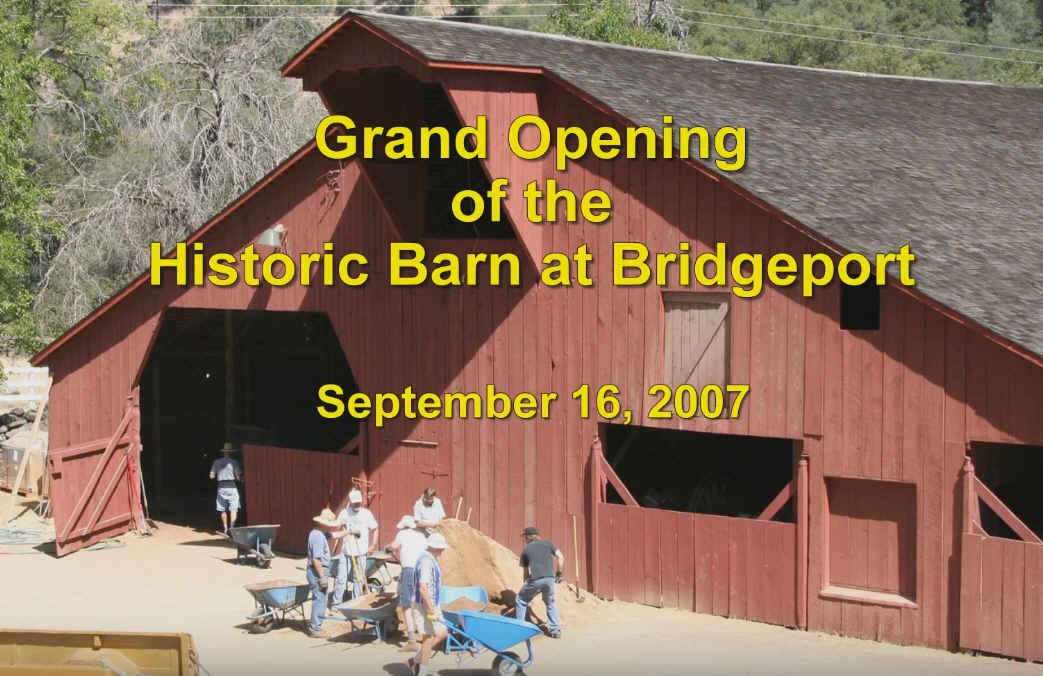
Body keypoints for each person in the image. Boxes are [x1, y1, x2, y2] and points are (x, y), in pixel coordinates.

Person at [408, 533, 450, 676]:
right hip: (424, 604)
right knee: (429, 637)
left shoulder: (429, 558)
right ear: (434, 547)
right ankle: (422, 672)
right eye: (440, 548)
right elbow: (423, 587)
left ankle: (415, 660)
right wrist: (430, 609)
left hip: (430, 602)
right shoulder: (426, 561)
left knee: (442, 632)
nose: (443, 550)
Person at [514, 526, 565, 638]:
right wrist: (559, 573)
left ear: (528, 537)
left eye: (524, 537)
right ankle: (555, 631)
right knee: (550, 603)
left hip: (536, 579)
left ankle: (519, 630)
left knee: (520, 600)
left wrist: (526, 589)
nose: (524, 539)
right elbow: (561, 557)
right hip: (549, 579)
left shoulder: (526, 550)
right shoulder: (548, 544)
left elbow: (526, 573)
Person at [332, 488, 379, 605]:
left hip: (361, 551)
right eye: (355, 503)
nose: (357, 504)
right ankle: (336, 602)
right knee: (341, 578)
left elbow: (375, 528)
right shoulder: (344, 513)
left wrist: (373, 545)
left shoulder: (366, 513)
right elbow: (337, 527)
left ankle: (355, 602)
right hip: (346, 551)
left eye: (359, 502)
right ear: (351, 502)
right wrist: (342, 527)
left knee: (359, 579)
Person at [306, 507, 345, 638]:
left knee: (321, 597)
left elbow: (333, 535)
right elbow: (316, 559)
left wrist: (348, 532)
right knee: (320, 599)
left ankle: (316, 625)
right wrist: (322, 577)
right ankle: (315, 628)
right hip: (318, 571)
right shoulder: (317, 537)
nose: (330, 528)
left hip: (319, 570)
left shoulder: (320, 533)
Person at [390, 515, 427, 646]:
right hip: (422, 570)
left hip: (409, 570)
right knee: (420, 603)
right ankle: (424, 635)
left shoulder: (402, 534)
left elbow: (392, 546)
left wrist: (392, 551)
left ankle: (411, 638)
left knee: (406, 604)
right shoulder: (421, 536)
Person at [208, 442, 243, 535]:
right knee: (233, 508)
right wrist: (242, 480)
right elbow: (238, 477)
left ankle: (225, 528)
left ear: (223, 452)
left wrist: (219, 474)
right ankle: (232, 527)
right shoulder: (234, 462)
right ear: (231, 452)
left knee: (222, 509)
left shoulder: (216, 462)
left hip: (221, 487)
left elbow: (211, 476)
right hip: (232, 486)